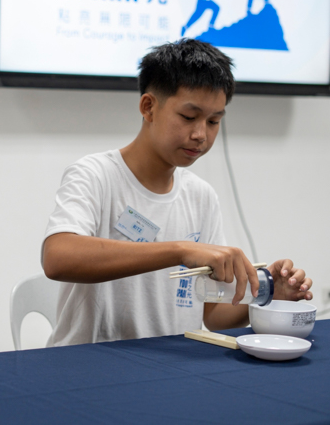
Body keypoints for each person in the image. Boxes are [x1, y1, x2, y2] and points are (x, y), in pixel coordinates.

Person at [42, 39, 313, 346]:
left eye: (213, 122)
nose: (201, 135)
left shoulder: (201, 195)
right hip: (87, 366)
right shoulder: (95, 175)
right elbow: (58, 258)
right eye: (188, 117)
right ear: (148, 107)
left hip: (169, 368)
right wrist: (180, 250)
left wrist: (267, 294)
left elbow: (213, 314)